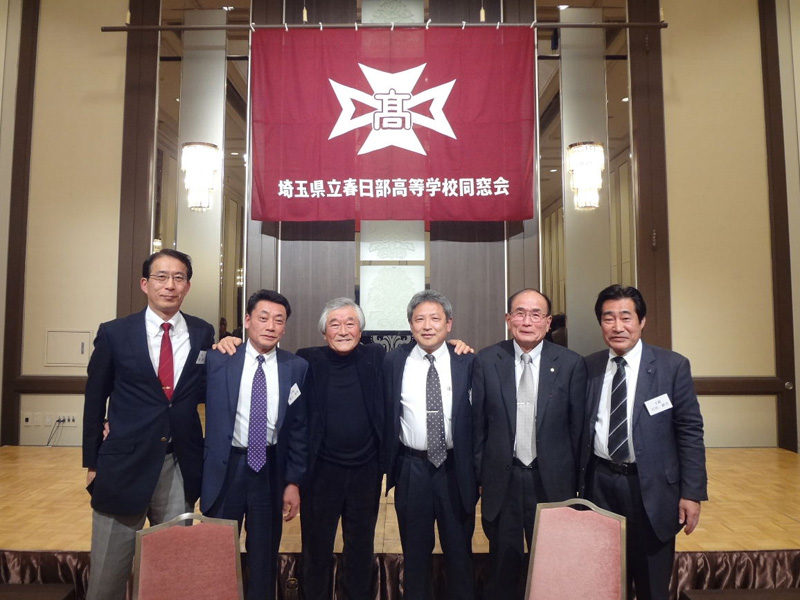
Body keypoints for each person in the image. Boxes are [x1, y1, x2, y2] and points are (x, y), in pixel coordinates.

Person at [82, 249, 215, 600]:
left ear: (187, 286)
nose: (170, 285)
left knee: (173, 573)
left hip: (178, 463)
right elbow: (95, 399)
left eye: (178, 278)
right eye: (161, 277)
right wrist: (92, 462)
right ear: (145, 284)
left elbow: (203, 387)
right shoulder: (115, 333)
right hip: (123, 464)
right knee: (107, 577)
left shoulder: (203, 332)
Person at [580, 284, 707, 600]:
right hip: (600, 485)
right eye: (608, 318)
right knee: (605, 580)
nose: (617, 326)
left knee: (652, 583)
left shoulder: (671, 366)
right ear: (600, 324)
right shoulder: (588, 367)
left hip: (652, 488)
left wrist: (692, 493)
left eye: (626, 317)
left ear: (642, 321)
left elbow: (690, 431)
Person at [472, 289, 586, 600]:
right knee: (501, 568)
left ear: (548, 323)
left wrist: (578, 484)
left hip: (551, 483)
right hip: (503, 482)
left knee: (553, 566)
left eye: (536, 314)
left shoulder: (571, 364)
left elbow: (578, 431)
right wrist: (481, 474)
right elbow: (477, 426)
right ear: (508, 319)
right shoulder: (486, 360)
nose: (527, 321)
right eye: (520, 313)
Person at [201, 289, 308, 600]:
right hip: (227, 469)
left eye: (279, 320)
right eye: (263, 318)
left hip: (270, 470)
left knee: (264, 558)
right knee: (219, 554)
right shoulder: (219, 359)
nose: (270, 326)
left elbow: (299, 429)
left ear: (284, 328)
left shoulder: (296, 367)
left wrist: (293, 481)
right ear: (247, 320)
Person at [383, 290, 477, 600]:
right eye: (419, 319)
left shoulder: (468, 361)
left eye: (435, 318)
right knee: (415, 558)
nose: (427, 326)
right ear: (410, 325)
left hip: (455, 470)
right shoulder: (394, 361)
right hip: (412, 470)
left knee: (459, 556)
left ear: (449, 324)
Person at [295, 298, 385, 600]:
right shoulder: (307, 360)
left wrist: (455, 345)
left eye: (350, 323)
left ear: (361, 330)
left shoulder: (376, 357)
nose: (343, 331)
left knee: (361, 548)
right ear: (324, 332)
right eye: (335, 324)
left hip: (365, 471)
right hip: (321, 473)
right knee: (316, 549)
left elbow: (420, 351)